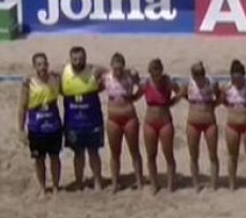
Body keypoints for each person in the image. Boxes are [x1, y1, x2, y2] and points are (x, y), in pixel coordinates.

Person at [60, 46, 106, 190]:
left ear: (86, 58)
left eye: (81, 58)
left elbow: (112, 72)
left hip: (92, 120)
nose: (78, 61)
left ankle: (97, 181)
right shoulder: (63, 71)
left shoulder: (94, 70)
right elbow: (44, 73)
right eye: (75, 59)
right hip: (73, 122)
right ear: (70, 59)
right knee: (78, 153)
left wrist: (101, 86)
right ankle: (79, 182)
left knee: (94, 152)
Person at [19, 52, 64, 194]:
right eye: (39, 64)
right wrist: (20, 129)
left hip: (54, 126)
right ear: (34, 67)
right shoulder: (28, 83)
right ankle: (43, 187)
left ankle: (56, 186)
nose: (43, 67)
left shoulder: (55, 79)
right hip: (36, 128)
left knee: (55, 157)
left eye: (45, 63)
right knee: (39, 160)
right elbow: (22, 107)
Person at [102, 53, 144, 191]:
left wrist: (134, 97)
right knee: (115, 152)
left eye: (120, 68)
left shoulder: (129, 76)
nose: (118, 71)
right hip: (113, 119)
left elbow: (143, 87)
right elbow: (96, 87)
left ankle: (139, 181)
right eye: (115, 68)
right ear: (112, 67)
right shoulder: (106, 77)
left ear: (123, 67)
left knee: (134, 150)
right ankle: (115, 182)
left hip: (129, 117)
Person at [140, 58, 178, 193]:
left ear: (161, 71)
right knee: (151, 154)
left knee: (168, 153)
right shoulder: (146, 84)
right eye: (153, 72)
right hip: (150, 122)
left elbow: (180, 93)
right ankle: (154, 184)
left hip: (165, 121)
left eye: (158, 72)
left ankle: (170, 184)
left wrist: (171, 102)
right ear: (150, 72)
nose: (156, 75)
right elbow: (135, 95)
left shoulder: (167, 82)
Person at [222, 60, 246, 190]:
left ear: (243, 76)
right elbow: (223, 101)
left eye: (239, 77)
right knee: (232, 155)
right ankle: (232, 183)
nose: (237, 81)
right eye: (234, 78)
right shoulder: (227, 87)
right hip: (232, 125)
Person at [183, 61, 220, 191]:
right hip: (193, 122)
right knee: (194, 155)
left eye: (200, 76)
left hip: (209, 121)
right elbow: (182, 94)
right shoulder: (189, 83)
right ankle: (196, 183)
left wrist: (213, 105)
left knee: (213, 154)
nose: (198, 79)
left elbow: (220, 96)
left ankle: (214, 183)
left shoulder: (211, 83)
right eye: (196, 76)